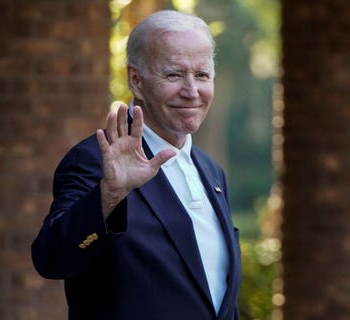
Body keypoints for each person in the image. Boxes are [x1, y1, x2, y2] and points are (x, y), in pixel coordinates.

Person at [31, 10, 241, 320]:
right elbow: (51, 260)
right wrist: (110, 196)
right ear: (136, 80)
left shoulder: (211, 172)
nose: (192, 91)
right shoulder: (94, 161)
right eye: (173, 75)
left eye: (202, 75)